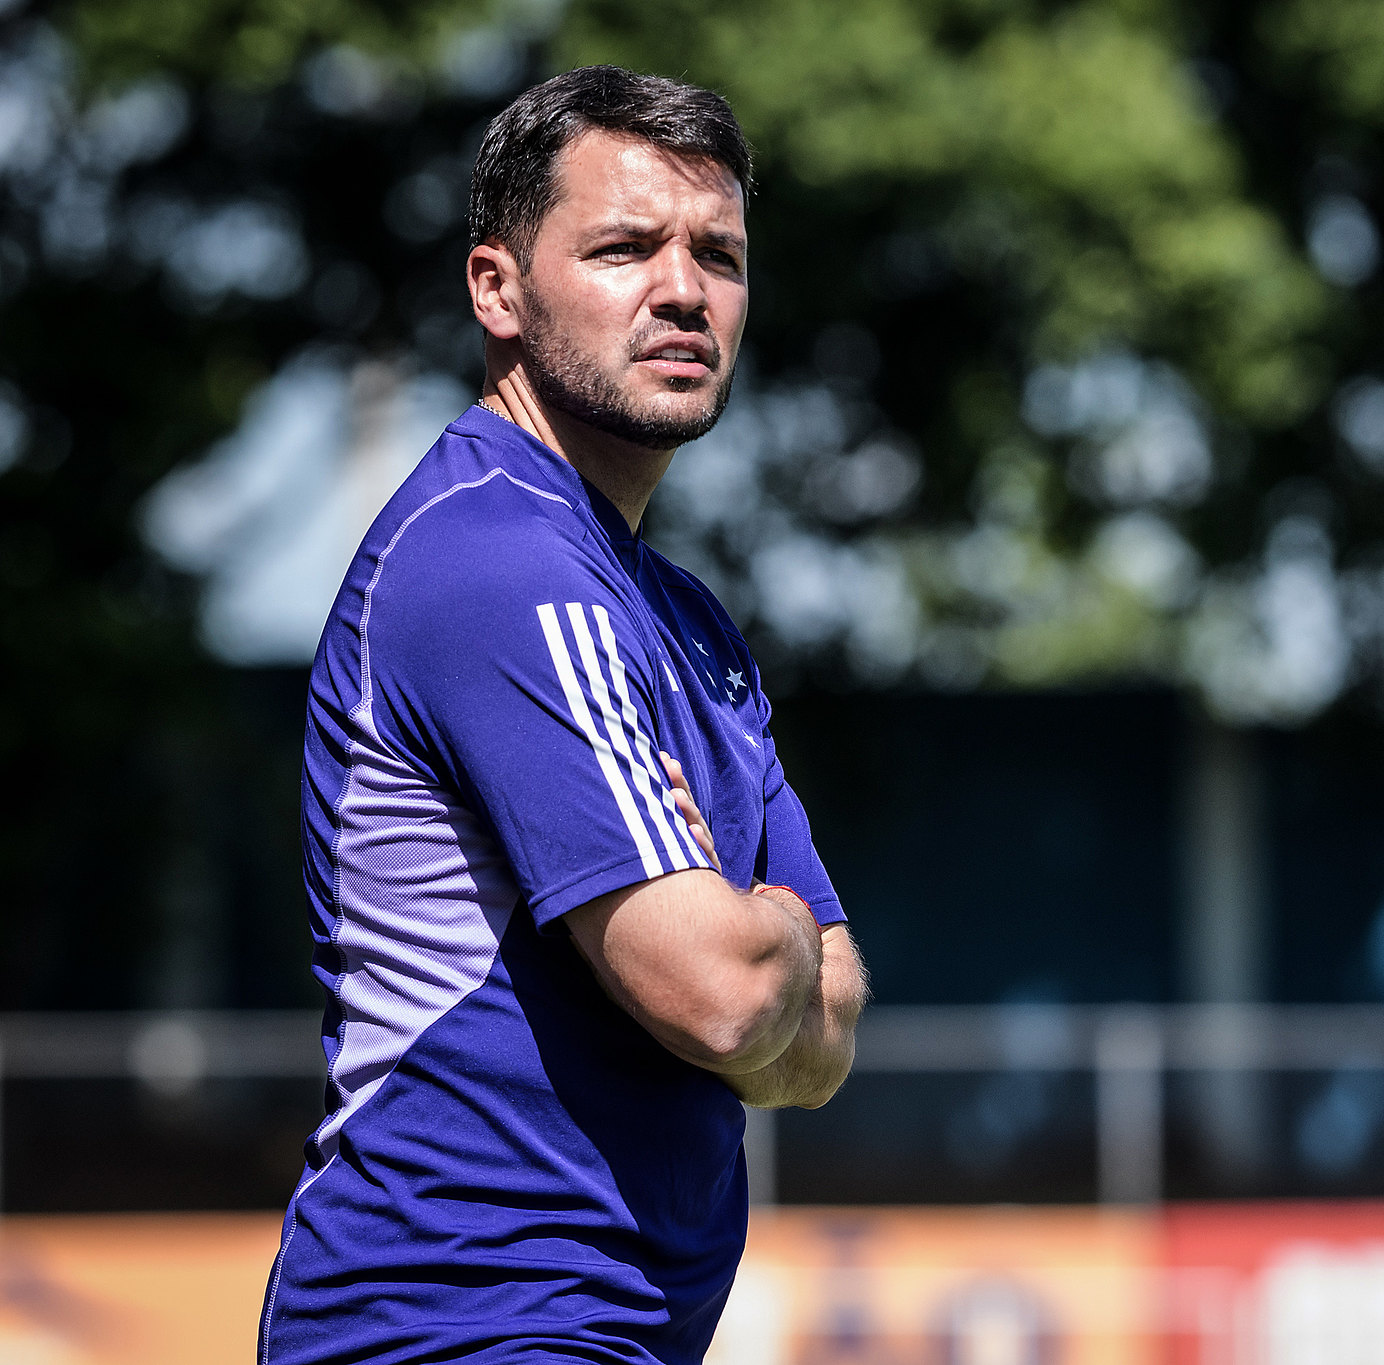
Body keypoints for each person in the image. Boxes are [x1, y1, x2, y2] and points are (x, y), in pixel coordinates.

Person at [261, 66, 867, 1365]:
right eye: (623, 248)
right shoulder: (499, 563)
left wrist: (764, 957)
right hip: (458, 1330)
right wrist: (763, 927)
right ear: (498, 288)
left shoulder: (685, 621)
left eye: (719, 253)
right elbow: (725, 994)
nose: (683, 290)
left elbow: (829, 1029)